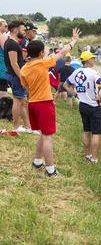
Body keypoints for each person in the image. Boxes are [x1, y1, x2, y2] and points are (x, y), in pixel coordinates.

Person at [20, 29, 80, 177]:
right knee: (48, 137)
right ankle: (50, 170)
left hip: (33, 103)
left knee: (42, 134)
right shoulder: (43, 63)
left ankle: (38, 161)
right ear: (41, 53)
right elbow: (62, 52)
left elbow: (27, 88)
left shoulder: (24, 69)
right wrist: (74, 40)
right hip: (44, 103)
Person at [63, 51, 101, 165]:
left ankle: (87, 154)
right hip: (93, 105)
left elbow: (65, 85)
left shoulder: (76, 72)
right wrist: (100, 97)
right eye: (93, 58)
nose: (94, 60)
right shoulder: (93, 72)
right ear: (88, 60)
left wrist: (75, 94)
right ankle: (94, 158)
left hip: (82, 104)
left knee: (86, 131)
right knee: (96, 133)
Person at [4, 20, 34, 133]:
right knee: (17, 100)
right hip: (15, 75)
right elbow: (13, 63)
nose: (24, 31)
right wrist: (22, 77)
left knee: (23, 100)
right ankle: (16, 126)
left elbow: (17, 60)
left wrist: (25, 60)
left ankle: (27, 126)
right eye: (22, 29)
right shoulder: (12, 43)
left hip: (15, 75)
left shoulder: (13, 42)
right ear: (16, 30)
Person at [0, 18, 8, 98]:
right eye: (5, 25)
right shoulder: (2, 37)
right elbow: (7, 52)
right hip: (2, 67)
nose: (7, 26)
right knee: (3, 97)